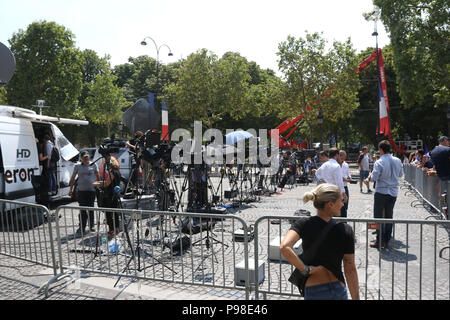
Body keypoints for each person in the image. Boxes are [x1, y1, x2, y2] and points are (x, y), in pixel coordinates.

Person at [280, 183, 359, 300]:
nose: (343, 204)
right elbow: (350, 268)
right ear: (330, 204)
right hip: (337, 287)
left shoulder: (303, 223)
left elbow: (285, 247)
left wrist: (305, 269)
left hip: (314, 288)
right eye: (341, 201)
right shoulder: (345, 229)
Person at [365, 140, 403, 249]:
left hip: (381, 191)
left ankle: (379, 240)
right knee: (389, 216)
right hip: (393, 192)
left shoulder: (379, 162)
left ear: (381, 149)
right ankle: (386, 240)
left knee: (378, 217)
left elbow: (375, 177)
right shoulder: (397, 160)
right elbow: (400, 174)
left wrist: (369, 178)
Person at [69, 151, 100, 236]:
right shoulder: (77, 166)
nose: (86, 158)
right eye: (84, 157)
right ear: (81, 158)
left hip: (91, 191)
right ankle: (81, 226)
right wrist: (71, 189)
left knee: (90, 208)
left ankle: (91, 226)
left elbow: (98, 176)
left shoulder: (93, 165)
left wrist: (99, 186)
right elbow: (72, 178)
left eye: (87, 157)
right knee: (82, 209)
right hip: (81, 191)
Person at [93, 156, 122, 239]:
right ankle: (116, 229)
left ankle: (112, 230)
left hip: (110, 195)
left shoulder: (113, 172)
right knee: (115, 213)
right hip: (114, 194)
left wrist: (96, 184)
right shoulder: (117, 171)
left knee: (109, 214)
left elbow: (106, 184)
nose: (106, 165)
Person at [339, 150, 351, 218]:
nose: (343, 159)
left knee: (344, 207)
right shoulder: (335, 165)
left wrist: (346, 179)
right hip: (337, 189)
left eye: (344, 158)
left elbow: (349, 178)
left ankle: (344, 223)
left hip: (345, 187)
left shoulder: (346, 165)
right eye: (342, 157)